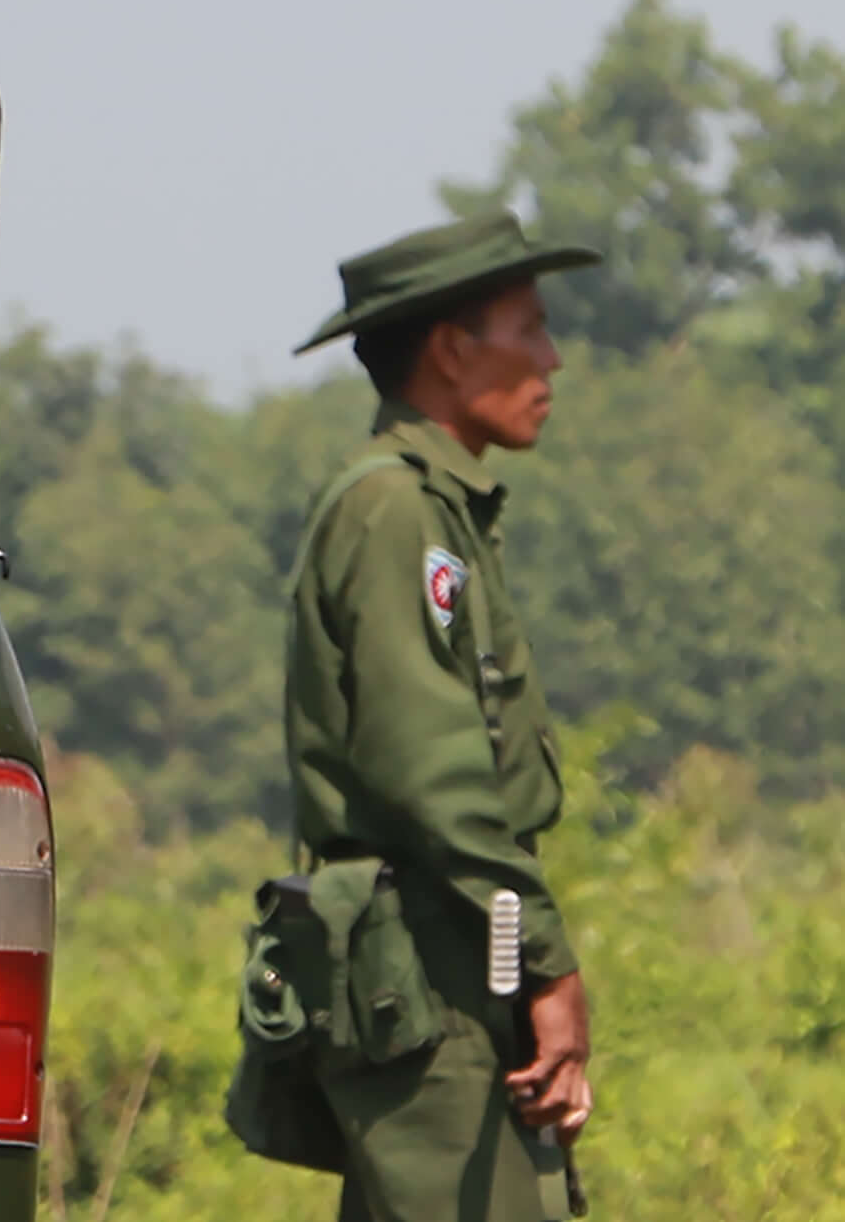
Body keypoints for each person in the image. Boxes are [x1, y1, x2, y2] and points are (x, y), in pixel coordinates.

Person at [286, 208, 600, 1220]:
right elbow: (429, 770)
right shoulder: (395, 511)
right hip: (428, 963)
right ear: (452, 349)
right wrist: (545, 960)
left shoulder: (436, 506)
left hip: (456, 951)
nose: (551, 356)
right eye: (529, 328)